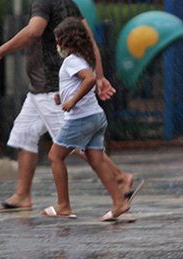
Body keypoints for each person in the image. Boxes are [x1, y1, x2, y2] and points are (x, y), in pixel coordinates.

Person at [0, 0, 135, 213]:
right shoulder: (68, 1)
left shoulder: (42, 1)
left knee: (73, 145)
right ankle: (22, 195)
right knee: (25, 134)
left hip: (51, 87)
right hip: (40, 89)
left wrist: (1, 50)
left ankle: (119, 178)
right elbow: (88, 39)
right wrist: (98, 75)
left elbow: (33, 31)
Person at [40, 17, 129, 220]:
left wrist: (72, 102)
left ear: (66, 41)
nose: (57, 45)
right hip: (96, 116)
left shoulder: (72, 61)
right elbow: (79, 82)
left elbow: (89, 80)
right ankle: (119, 202)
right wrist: (62, 96)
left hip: (80, 118)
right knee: (96, 160)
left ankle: (63, 205)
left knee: (55, 156)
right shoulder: (81, 59)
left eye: (58, 40)